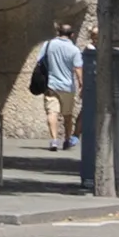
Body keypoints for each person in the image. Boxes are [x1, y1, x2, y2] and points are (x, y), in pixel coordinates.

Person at [42, 17, 86, 151]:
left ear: (58, 33)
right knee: (67, 115)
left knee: (52, 112)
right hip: (67, 86)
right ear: (72, 35)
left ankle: (54, 140)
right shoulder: (74, 50)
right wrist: (81, 85)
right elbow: (78, 68)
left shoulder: (48, 45)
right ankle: (67, 139)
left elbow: (40, 61)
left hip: (51, 84)